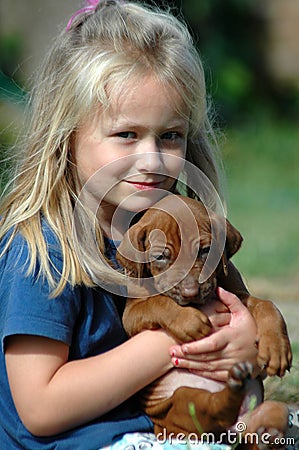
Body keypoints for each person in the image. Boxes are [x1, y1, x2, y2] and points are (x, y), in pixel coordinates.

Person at [0, 1, 271, 449]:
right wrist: (176, 339)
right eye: (127, 134)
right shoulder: (43, 249)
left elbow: (230, 319)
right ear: (65, 135)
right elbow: (40, 408)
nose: (152, 158)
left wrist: (243, 342)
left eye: (170, 135)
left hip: (166, 431)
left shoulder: (178, 231)